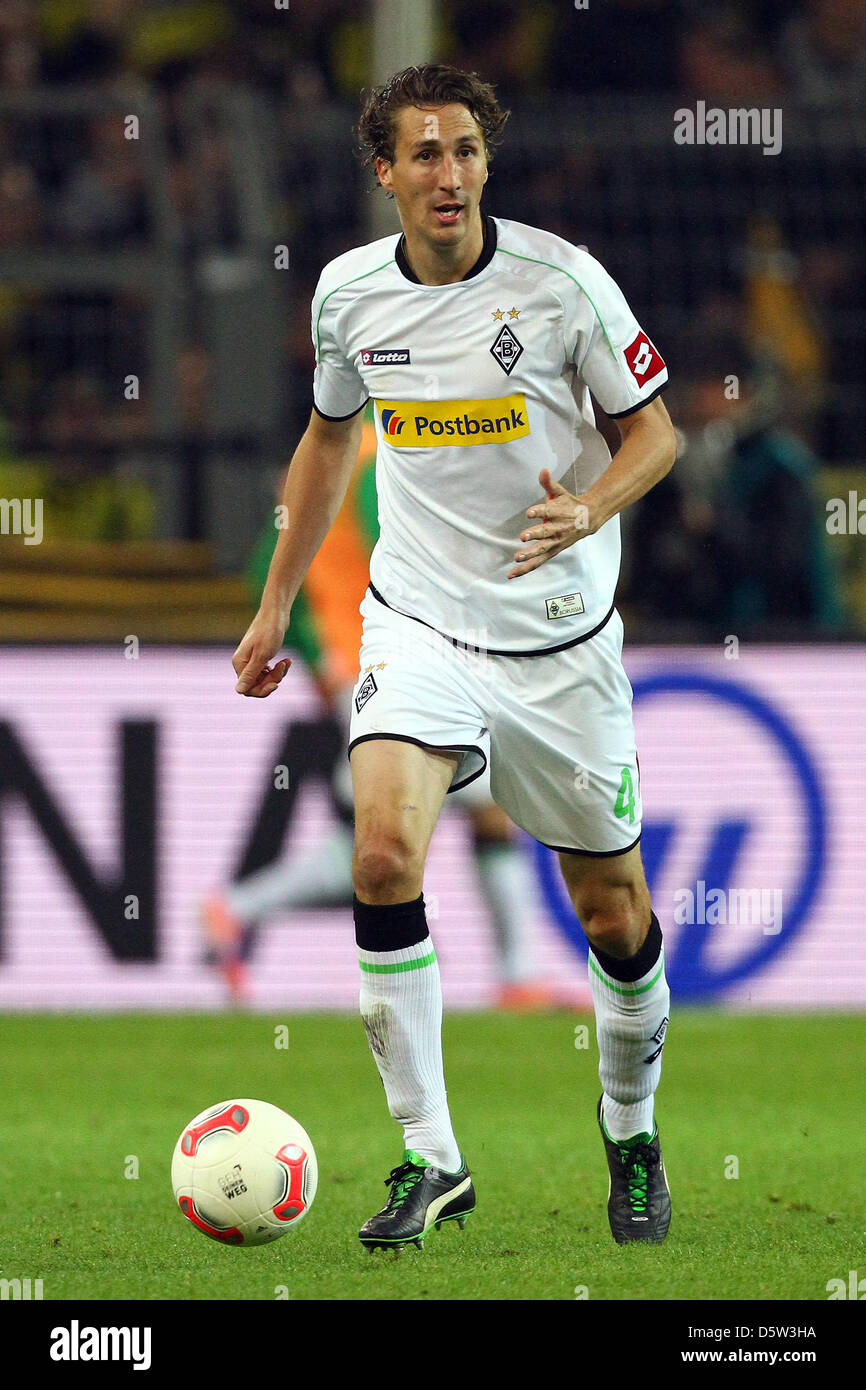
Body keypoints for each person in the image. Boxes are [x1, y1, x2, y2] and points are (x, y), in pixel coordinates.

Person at [231, 64, 677, 1250]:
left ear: (486, 162)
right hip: (418, 620)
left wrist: (590, 508)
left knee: (613, 915)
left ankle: (629, 1133)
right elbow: (327, 445)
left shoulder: (560, 283)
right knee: (382, 854)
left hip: (558, 642)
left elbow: (654, 432)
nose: (448, 173)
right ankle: (431, 1159)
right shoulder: (346, 298)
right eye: (423, 154)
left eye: (466, 151)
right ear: (384, 171)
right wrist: (277, 603)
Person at [205, 408, 588, 1012]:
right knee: (459, 812)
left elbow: (264, 581)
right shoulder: (379, 464)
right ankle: (517, 978)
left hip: (366, 670)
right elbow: (415, 556)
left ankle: (231, 910)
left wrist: (318, 659)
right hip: (400, 666)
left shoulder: (324, 477)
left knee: (382, 839)